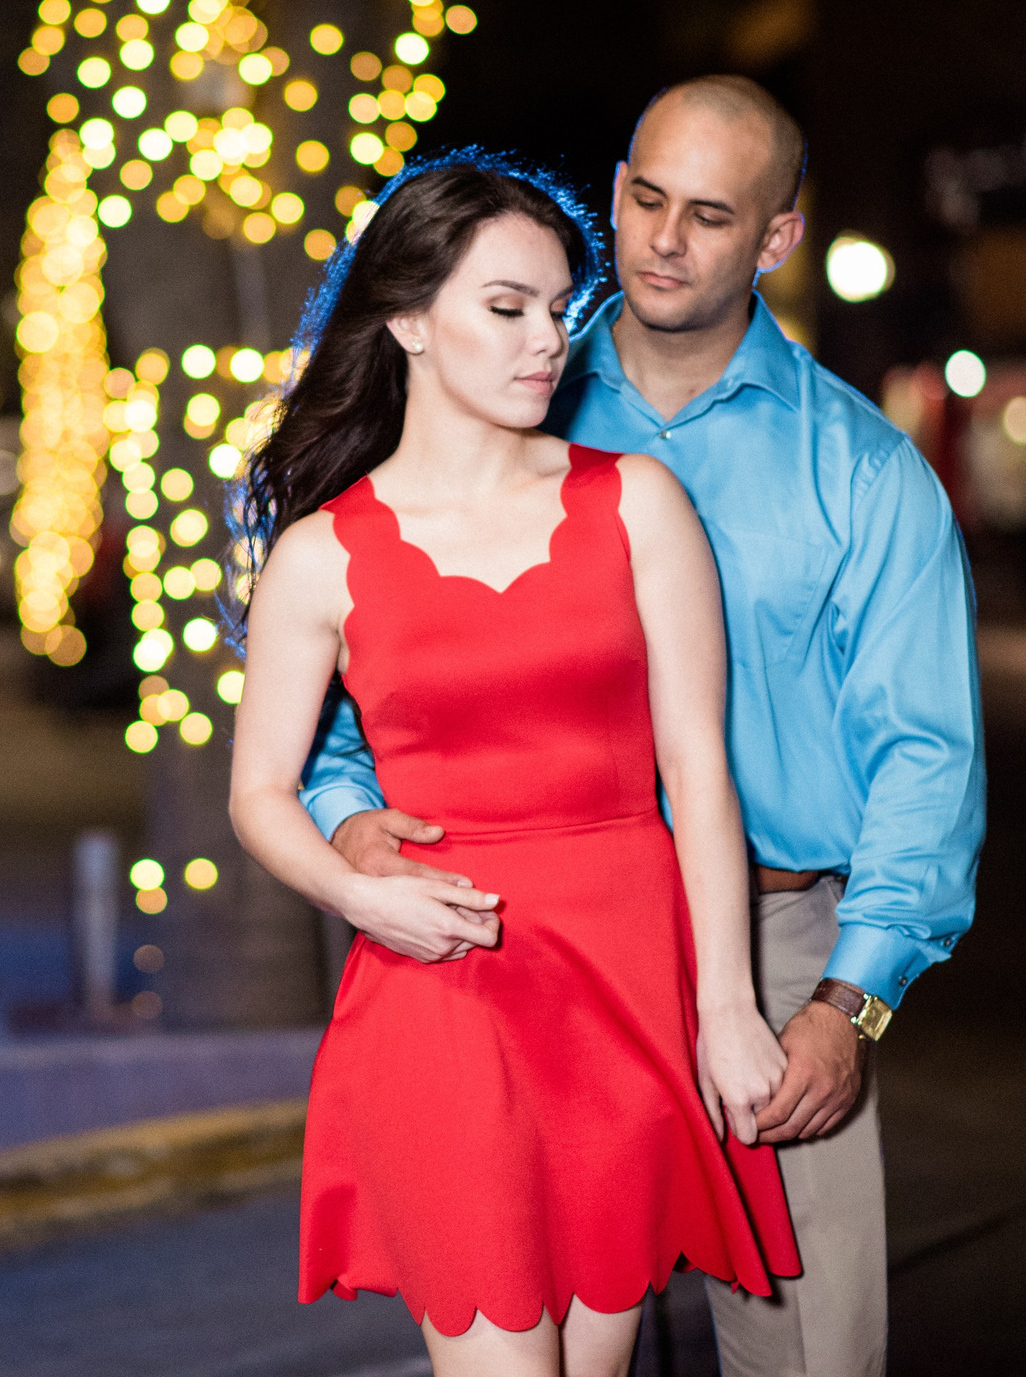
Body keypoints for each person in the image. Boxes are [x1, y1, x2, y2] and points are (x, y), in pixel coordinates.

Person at [299, 80, 987, 1377]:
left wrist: (855, 1003)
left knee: (807, 1355)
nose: (663, 240)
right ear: (615, 191)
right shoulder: (503, 382)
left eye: (711, 216)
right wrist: (350, 821)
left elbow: (926, 761)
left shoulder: (862, 470)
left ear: (776, 239)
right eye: (646, 199)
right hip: (531, 936)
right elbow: (350, 658)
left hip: (780, 944)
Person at [228, 159, 799, 1377]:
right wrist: (358, 893)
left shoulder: (640, 502)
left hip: (625, 986)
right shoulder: (321, 556)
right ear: (407, 319)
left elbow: (698, 767)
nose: (548, 338)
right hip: (443, 989)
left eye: (557, 305)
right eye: (507, 307)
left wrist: (730, 1006)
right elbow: (260, 794)